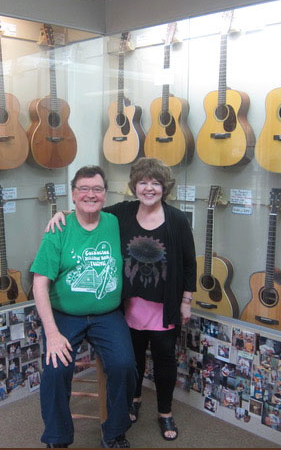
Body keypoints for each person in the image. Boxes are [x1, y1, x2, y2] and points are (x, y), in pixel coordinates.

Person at [47, 158, 195, 441]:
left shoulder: (177, 219)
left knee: (164, 360)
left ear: (165, 188)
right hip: (130, 305)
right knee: (132, 360)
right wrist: (61, 213)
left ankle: (165, 413)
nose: (148, 188)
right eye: (142, 182)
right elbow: (89, 208)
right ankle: (134, 401)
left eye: (155, 183)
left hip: (164, 306)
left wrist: (186, 301)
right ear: (134, 186)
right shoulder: (123, 213)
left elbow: (189, 262)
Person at [31, 165, 137, 448]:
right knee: (55, 371)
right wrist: (51, 333)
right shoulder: (59, 229)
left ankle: (114, 433)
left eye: (98, 189)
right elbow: (39, 284)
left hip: (107, 315)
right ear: (74, 194)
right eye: (84, 189)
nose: (91, 194)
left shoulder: (116, 222)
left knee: (125, 365)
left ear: (105, 194)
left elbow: (150, 203)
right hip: (65, 316)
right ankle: (58, 438)